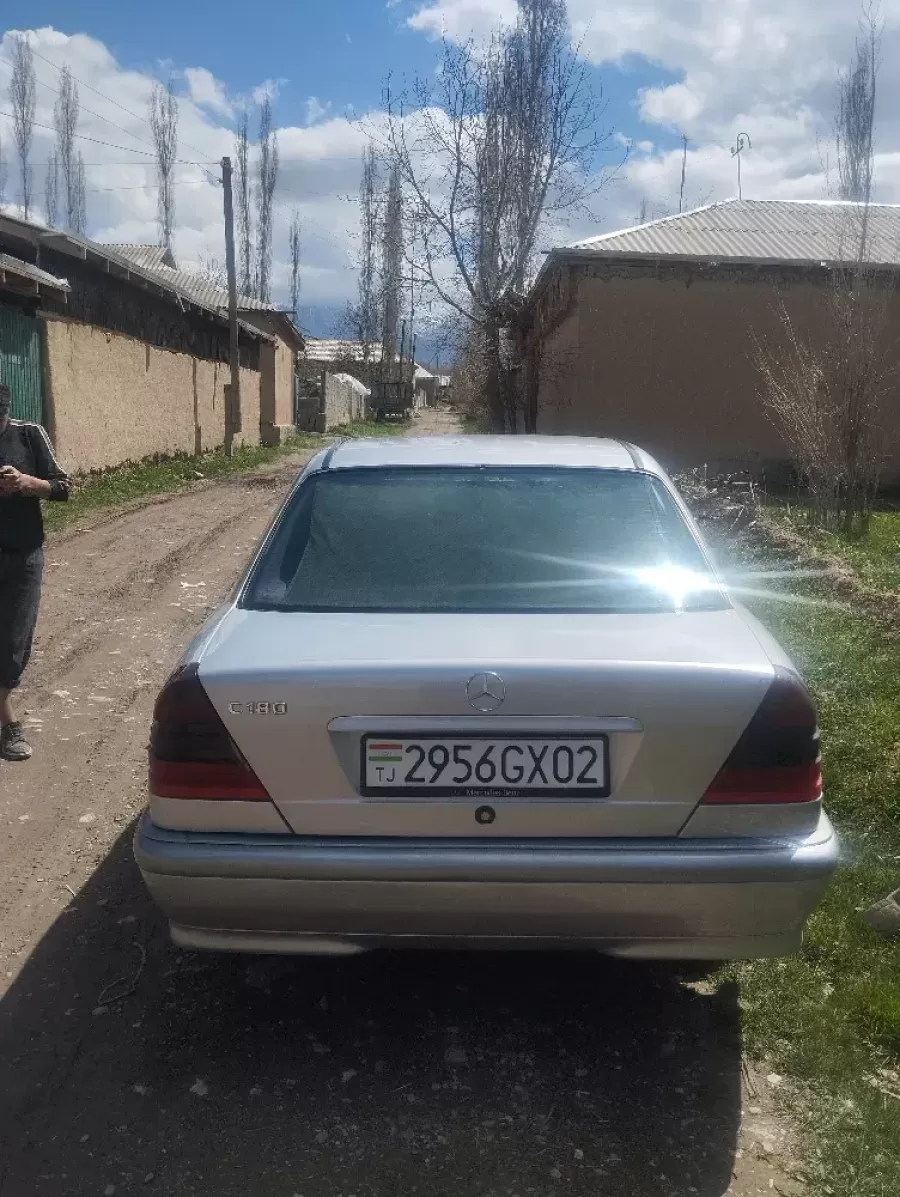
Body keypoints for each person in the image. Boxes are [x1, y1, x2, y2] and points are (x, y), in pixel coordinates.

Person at [0, 382, 70, 761]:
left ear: (6, 413)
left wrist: (29, 483)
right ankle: (9, 723)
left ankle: (7, 724)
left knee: (13, 641)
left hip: (23, 555)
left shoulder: (29, 434)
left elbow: (64, 487)